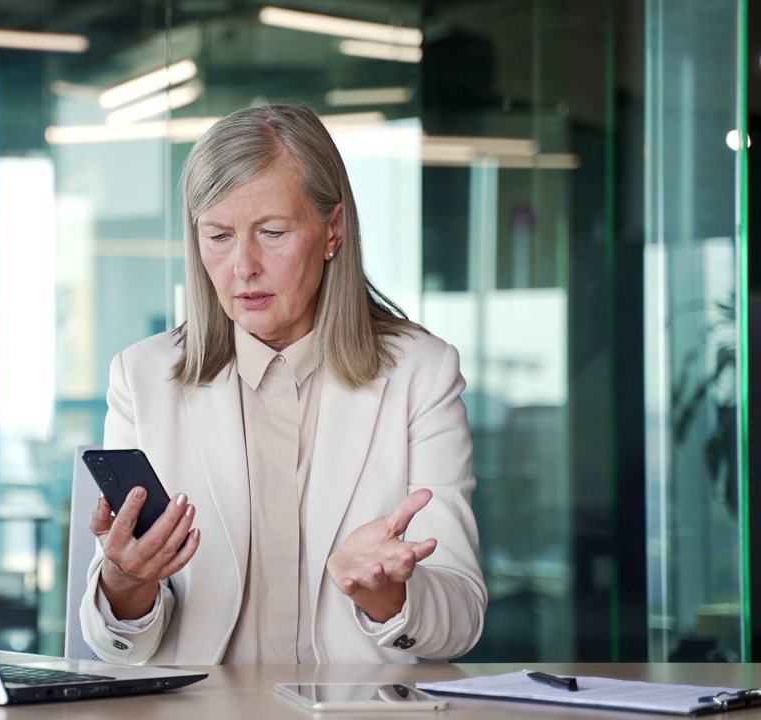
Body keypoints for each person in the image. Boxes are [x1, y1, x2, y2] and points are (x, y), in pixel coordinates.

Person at [79, 104, 486, 665]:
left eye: (272, 233)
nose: (243, 266)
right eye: (218, 236)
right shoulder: (141, 378)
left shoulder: (422, 373)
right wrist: (126, 583)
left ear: (333, 231)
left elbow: (461, 619)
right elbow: (117, 647)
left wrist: (388, 598)